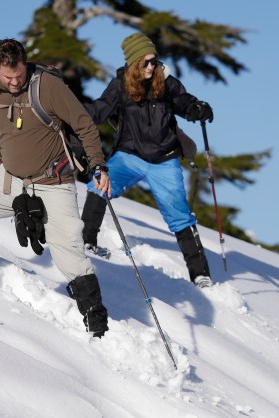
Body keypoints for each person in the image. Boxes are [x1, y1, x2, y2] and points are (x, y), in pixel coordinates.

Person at [0, 38, 111, 337]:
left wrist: (99, 165)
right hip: (11, 182)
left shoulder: (47, 87)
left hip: (54, 184)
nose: (14, 82)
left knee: (70, 256)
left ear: (25, 64)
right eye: (7, 76)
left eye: (19, 75)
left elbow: (84, 125)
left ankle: (98, 326)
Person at [79, 32, 215, 289]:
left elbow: (184, 102)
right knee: (98, 184)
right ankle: (87, 241)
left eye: (154, 61)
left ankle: (200, 274)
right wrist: (71, 115)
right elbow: (98, 110)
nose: (152, 67)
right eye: (146, 62)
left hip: (164, 160)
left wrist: (198, 108)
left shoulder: (166, 82)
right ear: (133, 64)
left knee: (179, 214)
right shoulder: (120, 85)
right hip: (129, 156)